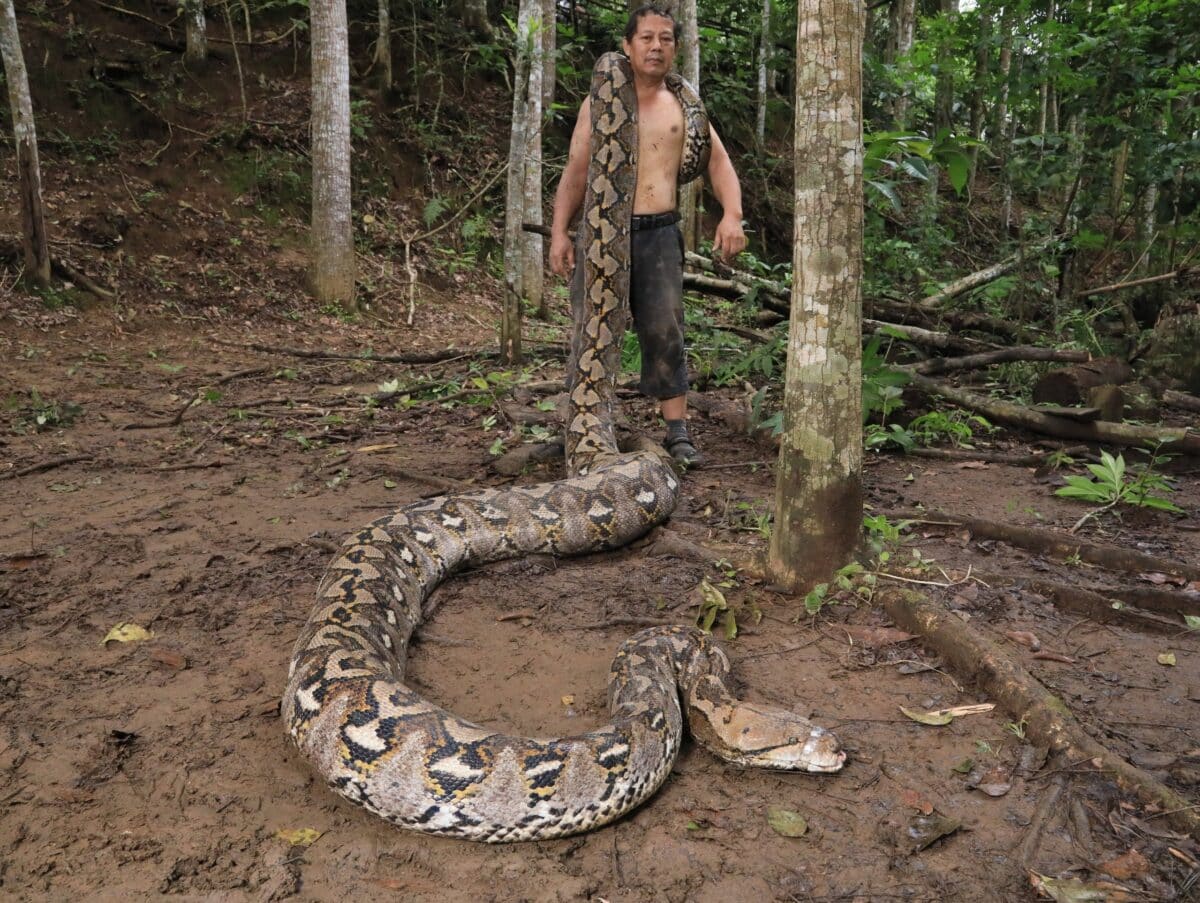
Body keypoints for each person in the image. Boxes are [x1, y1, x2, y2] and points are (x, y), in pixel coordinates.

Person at [549, 4, 747, 467]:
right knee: (589, 330)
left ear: (675, 48)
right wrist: (560, 231)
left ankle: (677, 432)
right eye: (646, 38)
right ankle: (582, 428)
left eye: (665, 39)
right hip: (601, 232)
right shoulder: (597, 103)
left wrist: (732, 214)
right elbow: (577, 170)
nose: (656, 46)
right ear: (627, 46)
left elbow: (718, 163)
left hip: (658, 232)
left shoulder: (684, 106)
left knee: (664, 330)